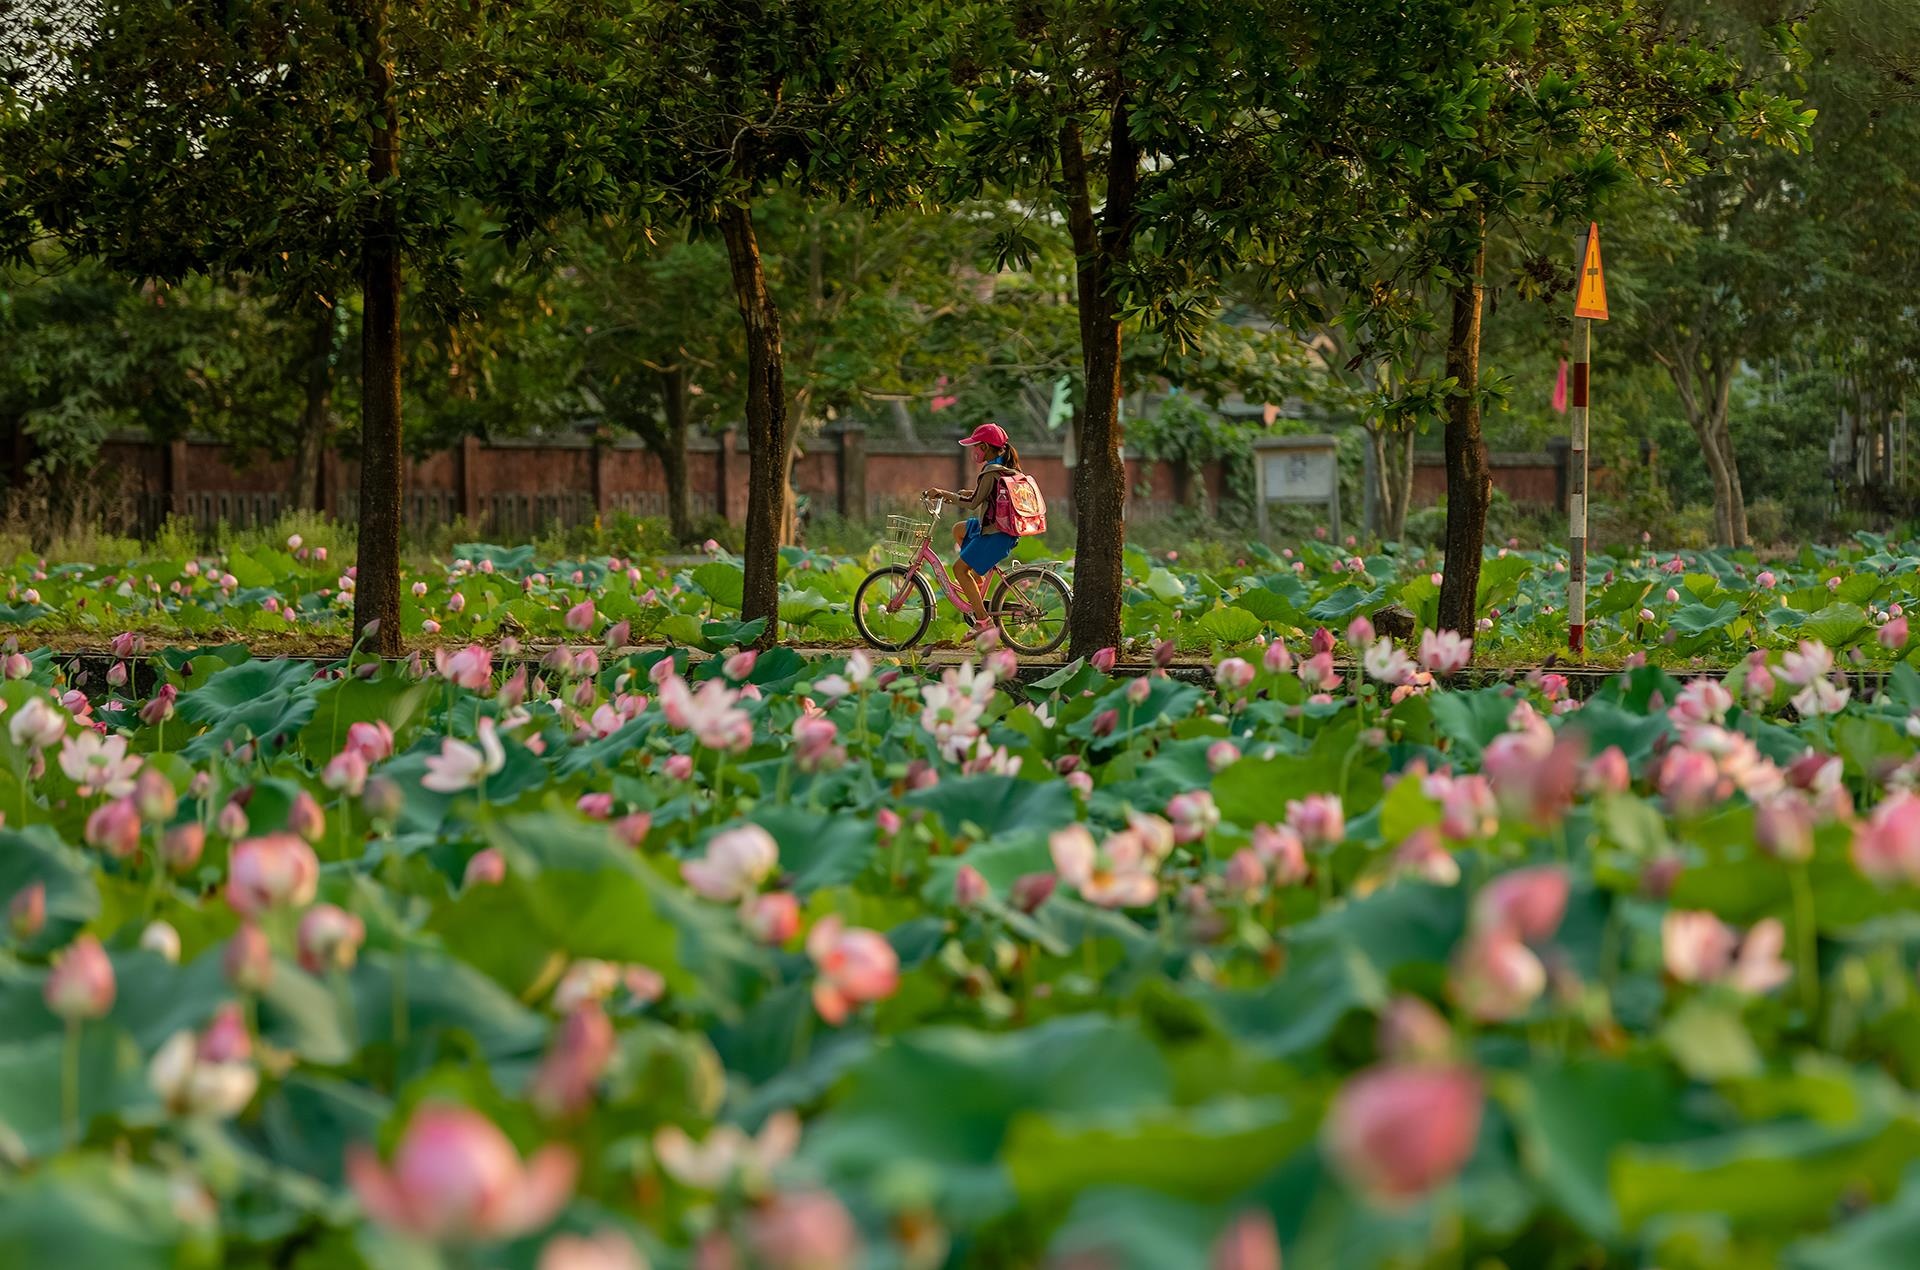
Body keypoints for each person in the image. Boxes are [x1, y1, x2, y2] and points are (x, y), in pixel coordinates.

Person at [923, 422, 1022, 634]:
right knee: (959, 529)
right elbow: (988, 496)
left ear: (985, 447)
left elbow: (973, 504)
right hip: (995, 526)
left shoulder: (990, 472)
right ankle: (976, 581)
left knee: (959, 569)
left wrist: (943, 493)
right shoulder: (1002, 467)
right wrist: (968, 492)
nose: (973, 450)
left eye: (975, 446)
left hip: (997, 534)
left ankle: (983, 622)